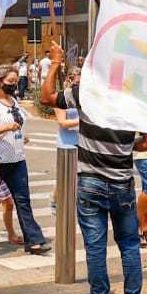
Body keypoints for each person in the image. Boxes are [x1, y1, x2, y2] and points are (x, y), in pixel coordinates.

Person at [41, 42, 147, 294]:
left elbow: (46, 97)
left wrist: (56, 62)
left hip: (90, 183)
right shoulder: (135, 101)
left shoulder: (84, 94)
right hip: (122, 185)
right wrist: (126, 147)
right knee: (129, 246)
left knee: (95, 249)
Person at [0, 64, 51, 253]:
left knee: (23, 201)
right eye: (10, 82)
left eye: (15, 81)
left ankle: (34, 240)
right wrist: (6, 129)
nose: (14, 85)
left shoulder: (14, 102)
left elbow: (17, 124)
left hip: (17, 160)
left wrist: (21, 136)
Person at [50, 69, 81, 216]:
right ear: (70, 79)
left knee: (80, 175)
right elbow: (62, 122)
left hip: (82, 141)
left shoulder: (83, 96)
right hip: (66, 143)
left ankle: (75, 201)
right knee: (63, 177)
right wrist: (83, 121)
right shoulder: (61, 98)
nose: (79, 85)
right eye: (77, 82)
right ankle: (54, 200)